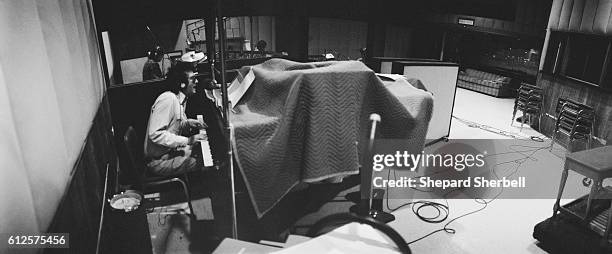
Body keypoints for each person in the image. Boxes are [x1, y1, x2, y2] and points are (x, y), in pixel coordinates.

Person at [144, 65, 208, 176]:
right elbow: (155, 134)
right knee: (199, 161)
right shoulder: (168, 99)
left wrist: (188, 123)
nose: (197, 81)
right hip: (157, 162)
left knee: (198, 152)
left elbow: (173, 127)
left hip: (166, 154)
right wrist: (187, 141)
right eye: (193, 79)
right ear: (182, 84)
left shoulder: (178, 99)